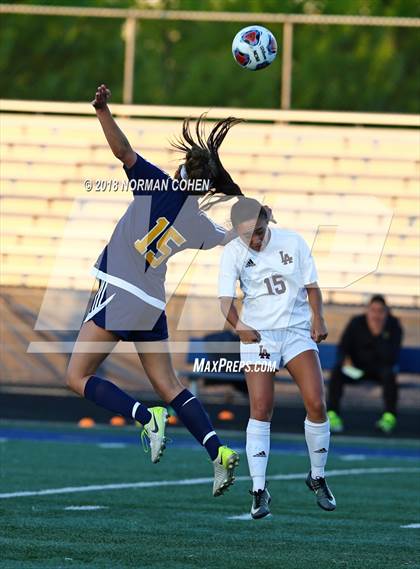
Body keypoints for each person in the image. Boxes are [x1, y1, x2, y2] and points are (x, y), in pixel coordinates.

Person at [65, 84, 242, 497]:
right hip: (152, 303)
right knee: (171, 384)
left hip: (120, 290)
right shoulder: (198, 222)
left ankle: (146, 418)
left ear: (182, 165)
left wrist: (102, 110)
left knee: (76, 376)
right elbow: (224, 236)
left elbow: (122, 151)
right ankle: (218, 452)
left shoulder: (156, 183)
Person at [218, 197, 336, 519]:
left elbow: (312, 287)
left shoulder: (293, 242)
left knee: (316, 402)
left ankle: (317, 476)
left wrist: (318, 317)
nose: (254, 240)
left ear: (267, 220)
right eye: (247, 236)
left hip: (296, 331)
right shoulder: (232, 253)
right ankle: (258, 489)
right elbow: (225, 300)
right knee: (261, 408)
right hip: (260, 335)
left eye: (258, 232)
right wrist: (239, 326)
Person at [327, 295, 403, 434]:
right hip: (357, 370)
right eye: (373, 310)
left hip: (379, 371)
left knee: (390, 375)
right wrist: (345, 359)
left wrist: (378, 334)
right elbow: (343, 347)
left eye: (380, 311)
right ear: (367, 310)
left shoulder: (393, 325)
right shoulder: (356, 322)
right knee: (337, 371)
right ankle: (332, 415)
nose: (376, 314)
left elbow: (391, 356)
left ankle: (388, 418)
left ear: (386, 312)